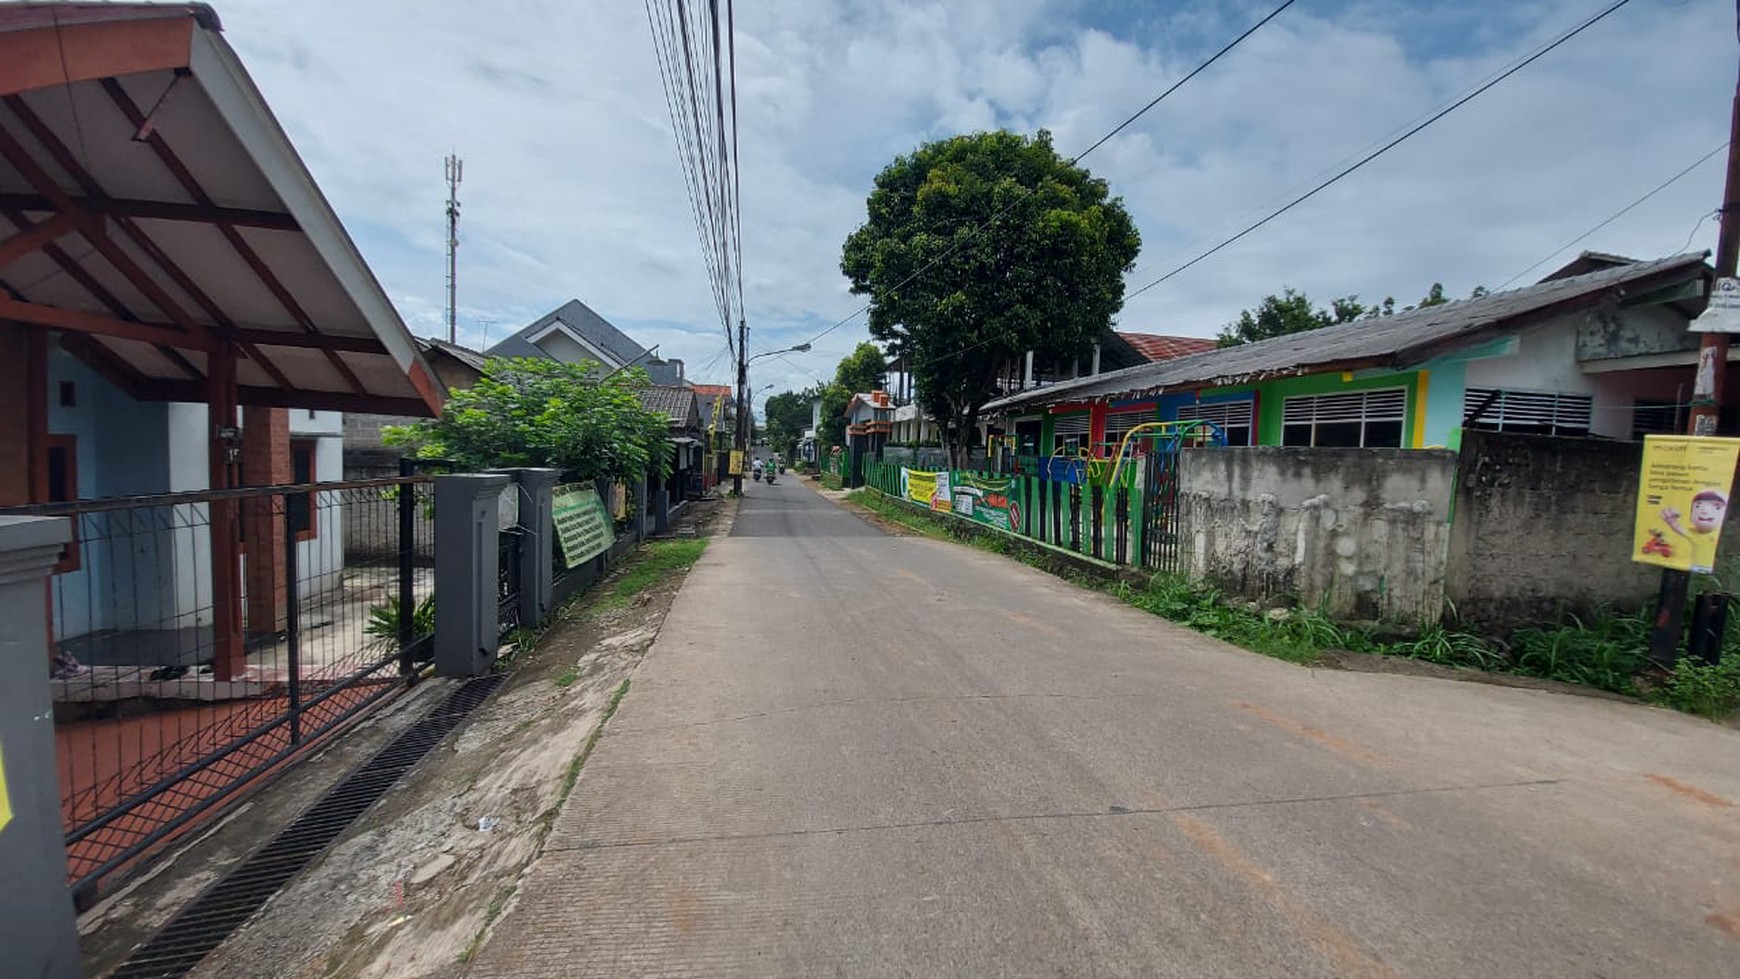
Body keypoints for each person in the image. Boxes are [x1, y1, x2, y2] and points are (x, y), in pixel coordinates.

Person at [1661, 487, 1729, 572]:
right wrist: (1672, 521)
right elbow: (1680, 529)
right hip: (1695, 567)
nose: (1704, 511)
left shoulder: (1720, 535)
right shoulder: (1695, 534)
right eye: (1697, 506)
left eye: (1717, 507)